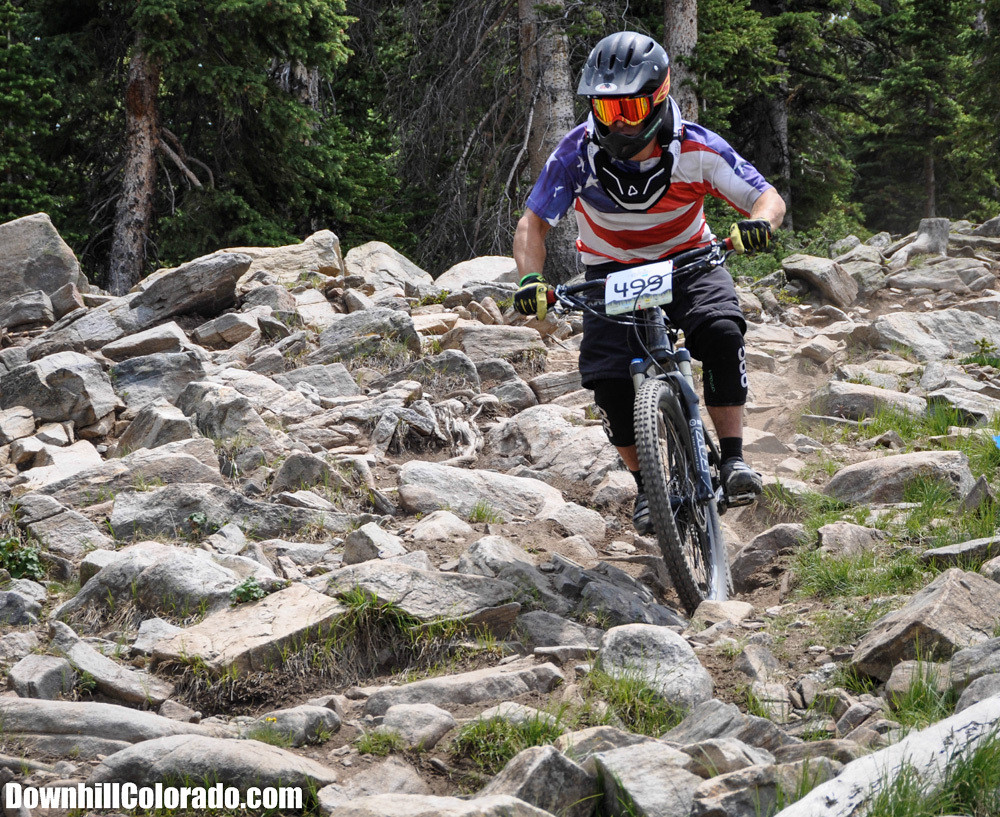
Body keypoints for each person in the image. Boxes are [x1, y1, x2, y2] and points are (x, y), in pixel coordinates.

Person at [512, 30, 786, 535]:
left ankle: (733, 460)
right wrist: (530, 278)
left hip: (691, 259)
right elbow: (534, 223)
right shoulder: (575, 153)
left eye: (631, 109)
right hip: (611, 272)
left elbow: (765, 196)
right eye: (605, 109)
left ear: (659, 99)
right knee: (607, 378)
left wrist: (759, 224)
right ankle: (648, 490)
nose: (617, 122)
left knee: (722, 330)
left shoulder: (697, 147)